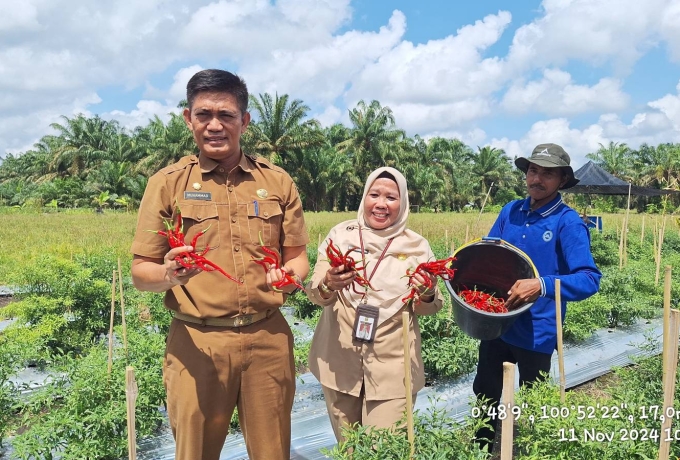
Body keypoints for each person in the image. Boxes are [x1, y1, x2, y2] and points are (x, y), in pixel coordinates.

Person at [130, 69, 310, 460]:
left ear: (244, 121)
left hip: (268, 339)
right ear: (188, 119)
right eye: (204, 114)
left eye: (226, 115)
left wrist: (290, 277)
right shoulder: (167, 184)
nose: (214, 125)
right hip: (198, 341)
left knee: (273, 452)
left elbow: (297, 257)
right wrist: (168, 274)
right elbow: (141, 271)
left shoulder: (277, 182)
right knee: (195, 452)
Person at [473, 143, 602, 451]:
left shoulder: (567, 222)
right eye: (533, 170)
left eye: (547, 173)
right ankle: (480, 450)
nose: (537, 179)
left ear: (562, 181)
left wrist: (540, 284)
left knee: (532, 403)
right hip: (498, 322)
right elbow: (490, 253)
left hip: (537, 331)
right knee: (486, 392)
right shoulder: (511, 211)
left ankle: (532, 451)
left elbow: (588, 279)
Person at [306, 167, 443, 442]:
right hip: (338, 363)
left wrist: (427, 292)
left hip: (394, 369)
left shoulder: (417, 246)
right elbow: (315, 292)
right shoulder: (340, 236)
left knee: (383, 449)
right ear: (364, 198)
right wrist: (329, 283)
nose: (381, 204)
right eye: (374, 194)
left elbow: (429, 306)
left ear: (402, 203)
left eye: (391, 197)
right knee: (349, 448)